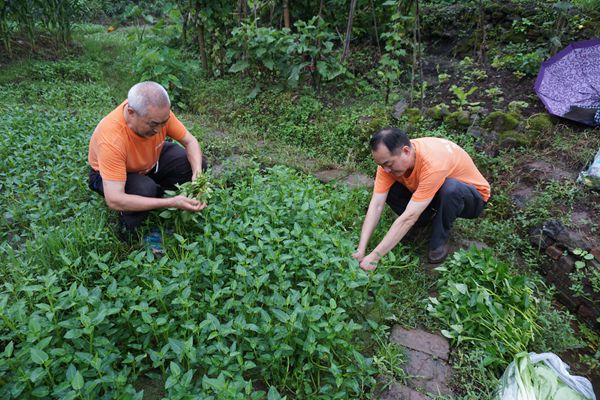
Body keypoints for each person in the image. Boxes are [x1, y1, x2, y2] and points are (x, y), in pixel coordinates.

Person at [353, 128, 490, 270]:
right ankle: (424, 220)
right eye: (382, 165)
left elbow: (408, 218)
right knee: (390, 190)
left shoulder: (433, 163)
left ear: (406, 151)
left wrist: (374, 257)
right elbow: (376, 205)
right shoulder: (387, 163)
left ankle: (439, 240)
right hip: (435, 191)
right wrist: (361, 249)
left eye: (388, 164)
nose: (385, 170)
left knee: (450, 189)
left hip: (472, 197)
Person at [88, 81, 207, 239]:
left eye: (164, 122)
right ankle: (130, 230)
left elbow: (190, 141)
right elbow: (114, 199)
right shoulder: (111, 139)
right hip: (113, 175)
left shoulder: (158, 114)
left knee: (195, 163)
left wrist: (197, 173)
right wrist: (171, 202)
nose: (159, 129)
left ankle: (152, 197)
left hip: (150, 159)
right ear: (131, 112)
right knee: (144, 190)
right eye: (154, 124)